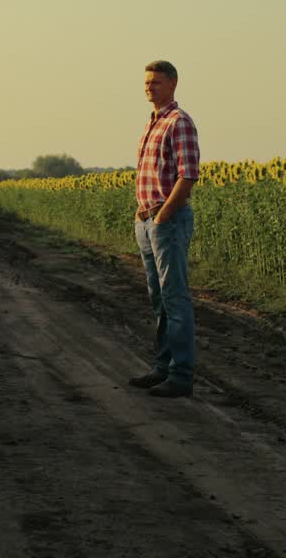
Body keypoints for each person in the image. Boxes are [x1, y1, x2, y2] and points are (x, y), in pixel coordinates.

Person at [128, 60, 200, 398]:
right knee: (158, 299)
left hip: (164, 222)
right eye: (146, 82)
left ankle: (181, 375)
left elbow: (188, 175)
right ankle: (163, 368)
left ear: (173, 83)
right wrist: (144, 217)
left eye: (156, 82)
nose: (149, 87)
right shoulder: (153, 123)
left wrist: (162, 216)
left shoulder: (179, 122)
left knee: (174, 298)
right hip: (146, 221)